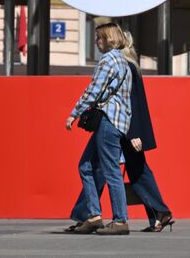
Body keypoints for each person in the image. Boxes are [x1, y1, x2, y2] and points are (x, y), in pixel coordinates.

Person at [65, 20, 134, 235]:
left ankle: (120, 221)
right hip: (118, 122)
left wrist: (74, 113)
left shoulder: (108, 61)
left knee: (111, 170)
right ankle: (94, 216)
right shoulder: (124, 62)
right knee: (86, 166)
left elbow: (93, 91)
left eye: (99, 38)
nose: (96, 42)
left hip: (108, 121)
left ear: (108, 39)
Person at [111, 31, 175, 231]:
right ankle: (157, 217)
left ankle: (162, 212)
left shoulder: (127, 68)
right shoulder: (132, 66)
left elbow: (132, 104)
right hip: (131, 130)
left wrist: (133, 134)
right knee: (138, 172)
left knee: (139, 172)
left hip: (130, 130)